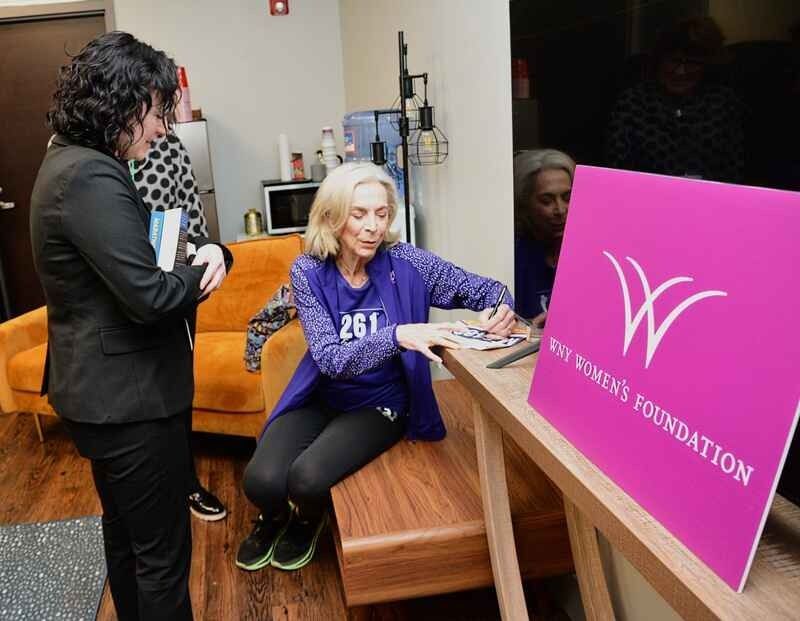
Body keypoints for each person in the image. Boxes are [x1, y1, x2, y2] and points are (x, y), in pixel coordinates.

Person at [29, 32, 232, 621]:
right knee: (162, 554)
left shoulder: (69, 161)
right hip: (131, 399)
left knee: (125, 538)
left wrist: (199, 251)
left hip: (102, 393)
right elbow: (149, 295)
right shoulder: (90, 176)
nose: (163, 128)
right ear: (119, 102)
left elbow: (141, 255)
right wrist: (209, 268)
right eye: (156, 111)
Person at [236, 162, 516, 572]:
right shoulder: (309, 271)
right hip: (323, 395)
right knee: (260, 480)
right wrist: (399, 334)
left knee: (307, 479)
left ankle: (307, 520)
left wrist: (501, 306)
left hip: (379, 405)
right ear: (332, 218)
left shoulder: (407, 263)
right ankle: (274, 517)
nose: (373, 227)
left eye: (382, 214)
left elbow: (484, 289)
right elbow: (331, 359)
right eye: (359, 214)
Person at [133, 133, 226, 521]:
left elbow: (191, 210)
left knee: (175, 392)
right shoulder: (94, 155)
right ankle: (150, 489)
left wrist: (206, 249)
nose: (158, 121)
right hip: (122, 293)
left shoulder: (168, 145)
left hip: (174, 286)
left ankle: (186, 484)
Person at [606, 16, 744, 183]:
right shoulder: (632, 101)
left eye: (692, 63)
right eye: (674, 60)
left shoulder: (723, 103)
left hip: (710, 203)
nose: (680, 71)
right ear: (660, 59)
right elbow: (616, 172)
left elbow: (734, 171)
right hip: (645, 200)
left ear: (707, 65)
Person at [513, 149, 575, 322]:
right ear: (523, 204)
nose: (561, 210)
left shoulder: (587, 252)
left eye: (567, 197)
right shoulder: (514, 258)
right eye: (547, 201)